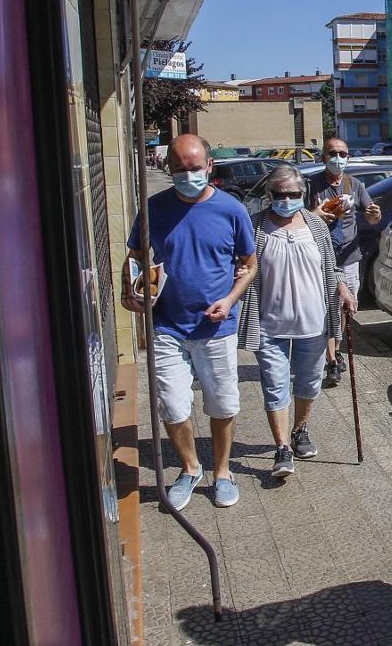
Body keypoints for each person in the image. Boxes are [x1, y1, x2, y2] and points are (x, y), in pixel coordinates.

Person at [123, 134, 257, 510]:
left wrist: (230, 300)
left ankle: (223, 472)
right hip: (166, 325)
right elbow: (135, 256)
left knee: (222, 403)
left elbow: (249, 265)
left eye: (195, 168)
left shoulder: (232, 210)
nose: (187, 175)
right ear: (169, 168)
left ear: (209, 167)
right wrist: (129, 289)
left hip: (215, 328)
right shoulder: (153, 209)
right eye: (179, 169)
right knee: (172, 405)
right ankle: (189, 467)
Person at [237, 165, 355, 477]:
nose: (287, 199)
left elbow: (332, 266)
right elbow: (240, 264)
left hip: (313, 324)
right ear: (269, 195)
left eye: (293, 194)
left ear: (302, 194)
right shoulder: (255, 227)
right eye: (280, 194)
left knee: (308, 382)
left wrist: (343, 289)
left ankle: (300, 430)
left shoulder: (316, 225)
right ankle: (282, 448)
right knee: (275, 387)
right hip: (269, 325)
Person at [306, 136, 381, 387]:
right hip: (320, 258)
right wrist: (314, 215)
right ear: (323, 157)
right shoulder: (311, 185)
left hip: (349, 257)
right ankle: (331, 359)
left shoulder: (354, 184)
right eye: (332, 153)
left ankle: (336, 348)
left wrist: (374, 215)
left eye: (342, 154)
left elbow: (371, 218)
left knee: (345, 309)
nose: (337, 158)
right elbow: (295, 219)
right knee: (328, 309)